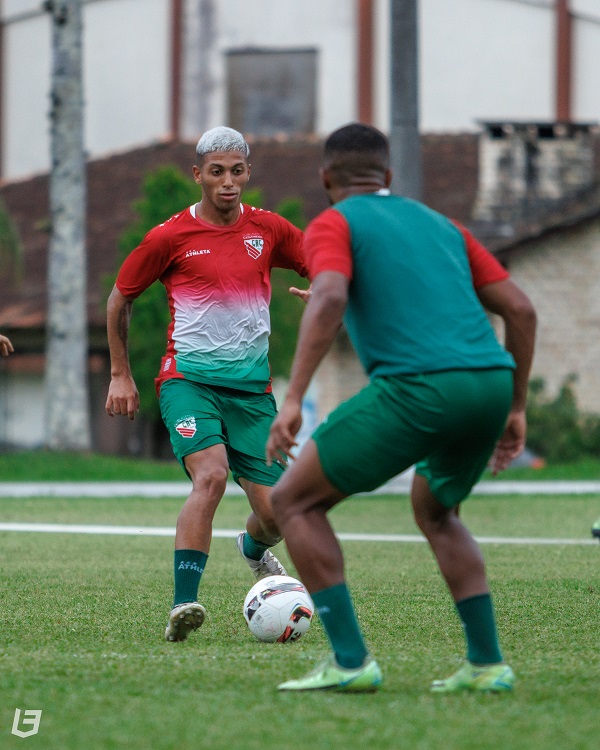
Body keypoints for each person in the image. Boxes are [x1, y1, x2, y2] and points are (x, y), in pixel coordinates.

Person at [266, 123, 537, 693]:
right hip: (490, 383)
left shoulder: (334, 222)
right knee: (436, 510)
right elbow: (521, 310)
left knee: (293, 501)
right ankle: (487, 665)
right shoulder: (443, 225)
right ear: (387, 176)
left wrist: (292, 398)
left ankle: (349, 663)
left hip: (420, 388)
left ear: (325, 179)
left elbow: (331, 295)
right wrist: (515, 407)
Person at [106, 126, 309, 643]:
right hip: (188, 382)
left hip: (252, 394)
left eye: (236, 171)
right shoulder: (170, 236)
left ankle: (252, 547)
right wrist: (120, 373)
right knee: (211, 477)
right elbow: (120, 298)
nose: (228, 182)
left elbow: (323, 263)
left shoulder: (269, 229)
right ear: (198, 175)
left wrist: (328, 289)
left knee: (277, 515)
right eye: (216, 172)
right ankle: (184, 604)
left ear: (248, 173)